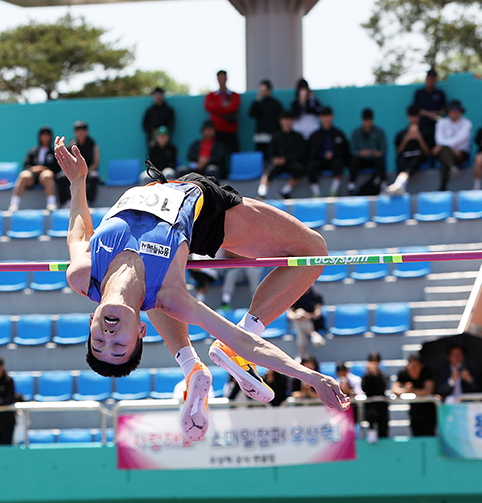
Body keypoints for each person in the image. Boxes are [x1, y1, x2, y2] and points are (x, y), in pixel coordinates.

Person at [53, 135, 349, 443]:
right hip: (207, 212)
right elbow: (247, 343)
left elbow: (78, 233)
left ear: (91, 323)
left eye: (99, 342)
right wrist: (310, 377)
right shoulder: (170, 294)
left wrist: (78, 182)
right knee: (313, 251)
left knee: (145, 295)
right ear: (141, 330)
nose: (109, 337)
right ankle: (220, 354)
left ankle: (192, 367)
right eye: (119, 347)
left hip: (167, 186)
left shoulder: (83, 275)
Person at [256, 110, 307, 200]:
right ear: (281, 121)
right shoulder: (276, 137)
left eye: (289, 119)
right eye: (284, 119)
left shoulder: (298, 136)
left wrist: (286, 159)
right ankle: (261, 194)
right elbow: (270, 152)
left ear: (292, 121)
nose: (286, 122)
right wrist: (274, 159)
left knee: (300, 170)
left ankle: (284, 192)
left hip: (292, 163)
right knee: (270, 170)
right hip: (278, 164)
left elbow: (301, 153)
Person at [9, 126, 60, 212]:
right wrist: (35, 169)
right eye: (43, 135)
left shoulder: (54, 152)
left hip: (45, 177)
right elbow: (26, 165)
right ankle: (14, 204)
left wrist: (44, 169)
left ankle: (51, 203)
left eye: (47, 135)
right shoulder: (33, 151)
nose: (45, 137)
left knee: (47, 175)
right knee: (23, 175)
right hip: (32, 176)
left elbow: (57, 168)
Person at [387, 105, 432, 196]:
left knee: (413, 163)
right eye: (411, 117)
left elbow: (428, 153)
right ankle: (399, 184)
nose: (413, 119)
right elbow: (398, 152)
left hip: (418, 157)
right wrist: (406, 138)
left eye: (415, 117)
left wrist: (419, 138)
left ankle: (399, 184)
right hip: (405, 158)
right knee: (402, 161)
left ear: (419, 117)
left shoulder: (426, 132)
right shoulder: (401, 134)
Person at [307, 107, 350, 197]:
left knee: (339, 164)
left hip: (334, 160)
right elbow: (311, 152)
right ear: (320, 118)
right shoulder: (315, 135)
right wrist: (322, 154)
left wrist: (333, 154)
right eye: (323, 116)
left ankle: (333, 190)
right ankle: (316, 192)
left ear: (332, 117)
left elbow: (344, 151)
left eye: (328, 116)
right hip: (319, 160)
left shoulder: (338, 133)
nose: (326, 119)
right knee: (311, 166)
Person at [391, 353, 436, 436]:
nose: (414, 369)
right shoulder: (403, 373)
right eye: (412, 366)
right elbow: (395, 389)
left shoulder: (426, 372)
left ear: (421, 366)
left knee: (429, 435)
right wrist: (405, 390)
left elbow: (429, 390)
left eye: (416, 366)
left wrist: (412, 390)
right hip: (414, 412)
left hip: (429, 412)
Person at [57, 121, 100, 206]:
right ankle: (66, 202)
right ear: (75, 132)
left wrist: (85, 171)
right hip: (74, 172)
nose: (81, 133)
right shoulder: (71, 144)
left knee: (94, 177)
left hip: (88, 171)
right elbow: (67, 161)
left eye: (83, 130)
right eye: (78, 130)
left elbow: (95, 162)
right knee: (60, 177)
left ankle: (87, 201)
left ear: (86, 132)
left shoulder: (92, 145)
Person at [432, 100, 472, 191]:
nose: (454, 113)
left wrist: (445, 147)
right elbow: (439, 139)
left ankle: (443, 187)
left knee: (443, 154)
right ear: (448, 111)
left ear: (460, 111)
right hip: (447, 152)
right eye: (452, 110)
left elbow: (461, 138)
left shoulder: (467, 123)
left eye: (456, 110)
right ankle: (451, 167)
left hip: (460, 153)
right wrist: (449, 148)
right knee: (444, 153)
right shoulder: (441, 123)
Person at [348, 108, 387, 194]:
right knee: (354, 160)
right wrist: (360, 153)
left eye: (369, 120)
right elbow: (352, 150)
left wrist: (378, 152)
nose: (367, 123)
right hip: (362, 161)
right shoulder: (356, 133)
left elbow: (384, 148)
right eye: (366, 120)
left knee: (380, 159)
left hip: (374, 160)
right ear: (362, 120)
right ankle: (351, 184)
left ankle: (383, 184)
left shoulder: (379, 132)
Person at [204, 70, 240, 155]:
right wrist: (223, 105)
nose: (221, 79)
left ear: (226, 78)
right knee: (217, 155)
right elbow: (208, 107)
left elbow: (233, 108)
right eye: (220, 77)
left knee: (234, 154)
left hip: (230, 129)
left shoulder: (234, 95)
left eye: (223, 77)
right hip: (217, 130)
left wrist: (216, 109)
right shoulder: (211, 95)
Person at [286, 286, 326, 356]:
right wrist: (297, 317)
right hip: (300, 322)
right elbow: (290, 313)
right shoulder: (296, 296)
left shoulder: (316, 294)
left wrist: (307, 316)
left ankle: (301, 351)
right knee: (299, 313)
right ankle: (312, 334)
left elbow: (317, 313)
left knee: (299, 315)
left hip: (315, 323)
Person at [249, 79, 283, 158]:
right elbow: (251, 113)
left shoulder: (276, 103)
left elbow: (280, 117)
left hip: (273, 134)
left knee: (273, 155)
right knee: (261, 156)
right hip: (261, 135)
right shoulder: (258, 103)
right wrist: (258, 98)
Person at [413, 68, 447, 146]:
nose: (431, 80)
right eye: (429, 78)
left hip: (437, 125)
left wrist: (436, 114)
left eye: (433, 78)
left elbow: (444, 109)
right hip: (422, 125)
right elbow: (416, 109)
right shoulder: (419, 93)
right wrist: (428, 114)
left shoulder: (440, 93)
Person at [361, 352, 389, 441]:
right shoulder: (366, 377)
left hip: (381, 406)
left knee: (383, 431)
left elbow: (382, 388)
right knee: (371, 426)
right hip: (370, 406)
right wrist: (369, 375)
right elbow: (365, 389)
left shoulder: (383, 376)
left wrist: (376, 374)